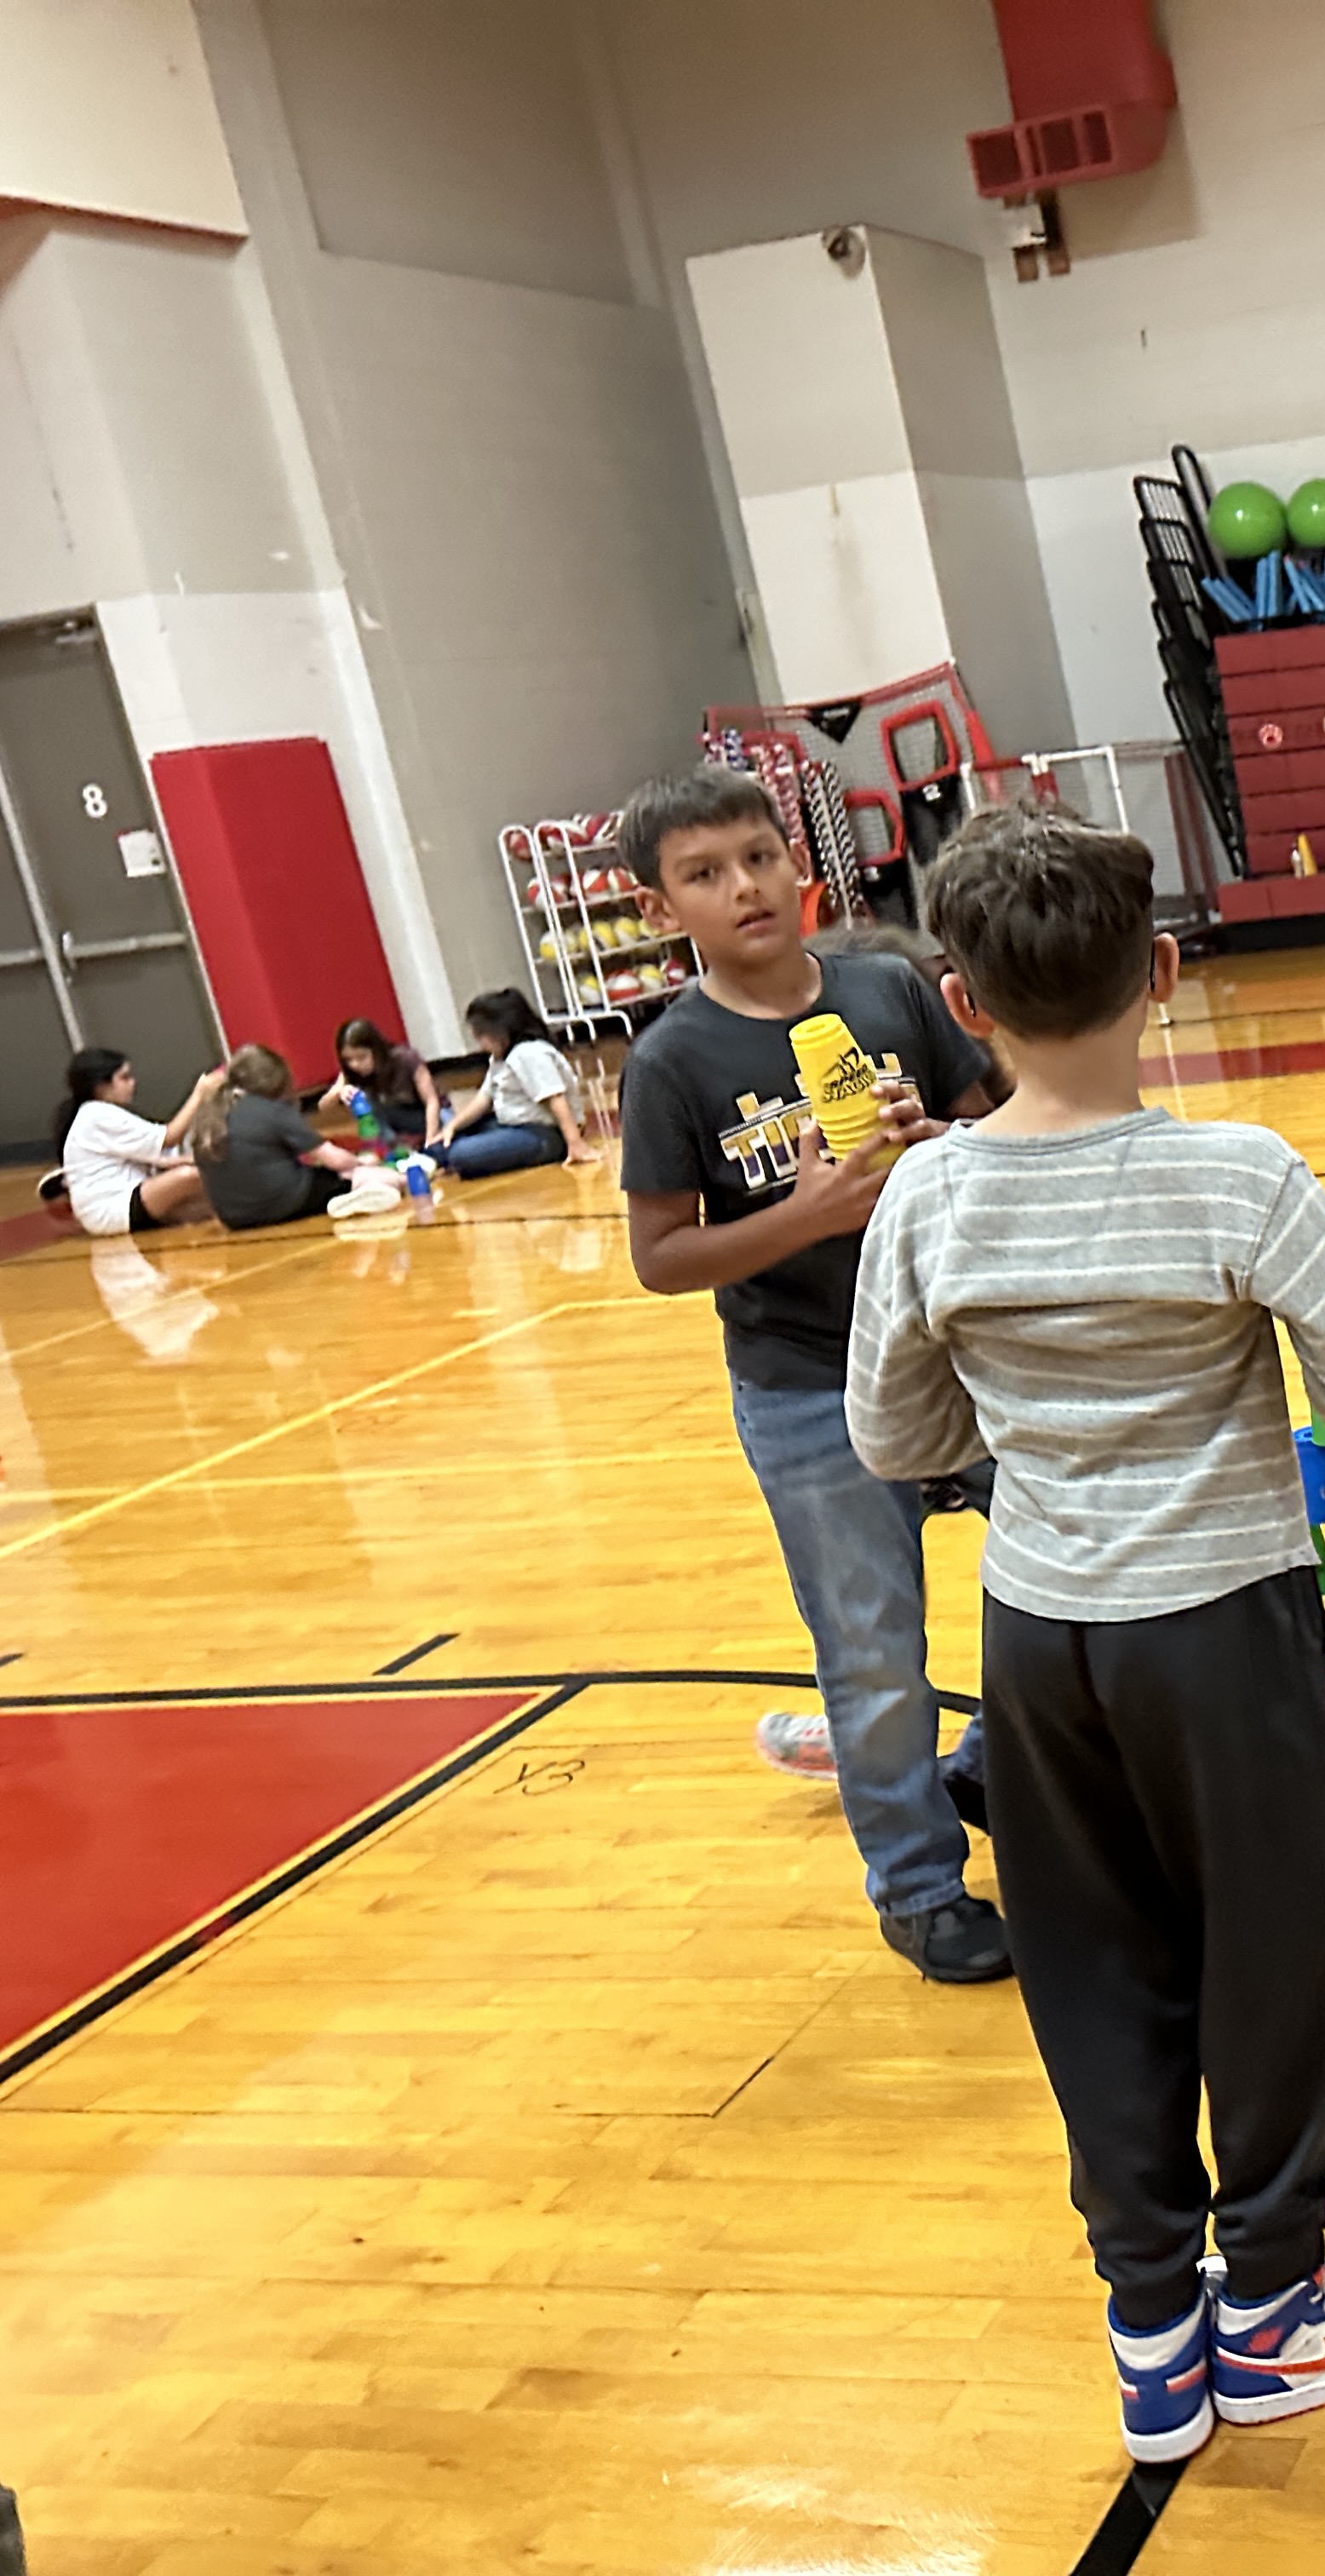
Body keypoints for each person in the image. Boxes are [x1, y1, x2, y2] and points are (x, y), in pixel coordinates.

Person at [845, 804, 1325, 2466]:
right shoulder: (1235, 1172)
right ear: (1166, 974)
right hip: (1218, 1627)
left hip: (1038, 1639)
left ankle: (1153, 2331)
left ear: (962, 1002)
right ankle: (1272, 2304)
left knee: (1089, 1964)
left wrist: (1027, 1429)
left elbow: (893, 1438)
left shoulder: (927, 1193)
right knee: (1270, 1960)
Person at [617, 766, 1009, 1985]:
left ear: (800, 865)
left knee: (1071, 1574)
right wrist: (809, 1214)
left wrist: (946, 1146)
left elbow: (996, 1123)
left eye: (759, 857)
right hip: (806, 1387)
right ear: (658, 910)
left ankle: (990, 1765)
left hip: (955, 1354)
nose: (744, 887)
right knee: (873, 1651)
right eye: (704, 874)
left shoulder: (889, 990)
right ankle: (921, 1890)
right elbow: (660, 1257)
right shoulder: (671, 1062)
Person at [193, 1044, 373, 1229]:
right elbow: (336, 1160)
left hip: (234, 1218)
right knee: (356, 1175)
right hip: (287, 1203)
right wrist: (361, 1163)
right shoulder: (270, 1110)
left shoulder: (210, 1115)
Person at [54, 1048, 221, 1235]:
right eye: (124, 1078)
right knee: (190, 1176)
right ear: (101, 1086)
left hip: (128, 1197)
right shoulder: (96, 1114)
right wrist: (200, 1094)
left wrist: (193, 1159)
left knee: (207, 1206)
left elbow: (154, 1157)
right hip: (112, 1207)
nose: (132, 1083)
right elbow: (169, 1137)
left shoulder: (100, 1113)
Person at [432, 991, 598, 1177]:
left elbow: (556, 1099)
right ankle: (443, 1155)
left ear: (500, 1030)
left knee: (461, 1154)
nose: (479, 1044)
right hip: (511, 1125)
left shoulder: (529, 1053)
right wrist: (452, 1127)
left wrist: (575, 1142)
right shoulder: (500, 1057)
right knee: (440, 1140)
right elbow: (484, 1098)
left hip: (545, 1133)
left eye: (480, 1035)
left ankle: (451, 1158)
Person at [315, 1017, 449, 1150]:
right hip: (399, 1125)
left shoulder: (406, 1058)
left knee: (445, 1149)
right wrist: (339, 1090)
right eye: (348, 1059)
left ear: (376, 1050)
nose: (355, 1064)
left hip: (434, 1115)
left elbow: (432, 1101)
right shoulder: (351, 1072)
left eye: (361, 1057)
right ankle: (395, 1148)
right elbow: (323, 1107)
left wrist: (431, 1140)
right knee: (366, 1101)